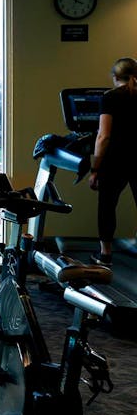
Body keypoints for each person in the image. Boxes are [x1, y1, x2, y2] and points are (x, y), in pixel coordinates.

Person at [89, 57, 137, 266]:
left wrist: (95, 168)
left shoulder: (110, 97)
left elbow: (103, 136)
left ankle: (105, 254)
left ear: (115, 77)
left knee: (107, 206)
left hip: (115, 159)